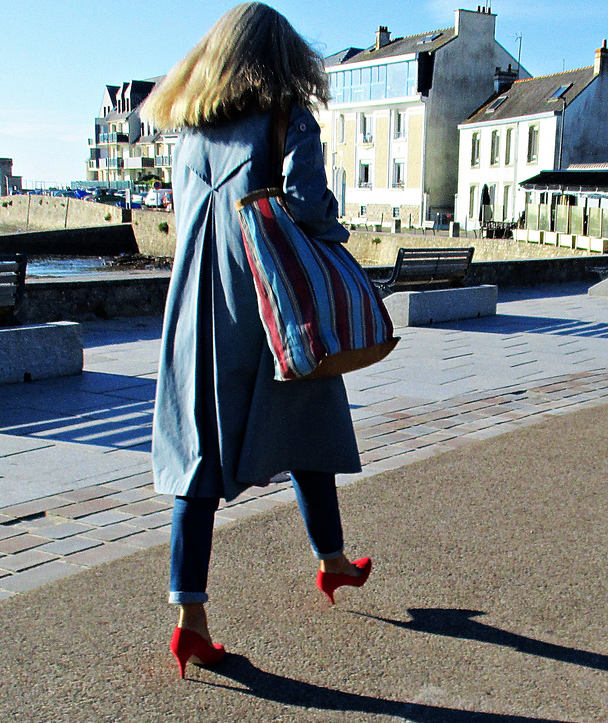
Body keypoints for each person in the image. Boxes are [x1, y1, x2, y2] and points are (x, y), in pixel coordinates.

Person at [141, 2, 371, 679]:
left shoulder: (184, 131)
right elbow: (307, 206)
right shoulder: (287, 116)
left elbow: (185, 220)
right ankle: (328, 559)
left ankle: (193, 620)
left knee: (198, 459)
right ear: (281, 59)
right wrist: (335, 239)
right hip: (268, 303)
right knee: (309, 413)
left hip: (194, 306)